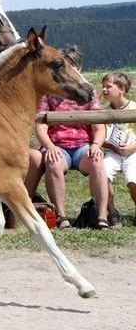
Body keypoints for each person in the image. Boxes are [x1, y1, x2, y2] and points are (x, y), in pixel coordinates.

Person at [33, 45, 109, 229]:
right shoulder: (49, 93)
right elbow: (40, 126)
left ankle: (102, 215)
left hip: (83, 146)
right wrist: (49, 146)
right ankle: (61, 216)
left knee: (97, 162)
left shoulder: (90, 92)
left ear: (79, 68)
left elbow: (99, 127)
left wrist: (96, 145)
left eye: (73, 66)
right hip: (57, 144)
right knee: (54, 162)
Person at [101, 71, 136, 227]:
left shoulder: (134, 108)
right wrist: (111, 145)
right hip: (111, 152)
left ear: (121, 88)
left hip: (133, 151)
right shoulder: (102, 112)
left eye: (108, 86)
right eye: (103, 87)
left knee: (134, 180)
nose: (104, 90)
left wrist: (131, 147)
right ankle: (112, 211)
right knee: (104, 174)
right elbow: (99, 136)